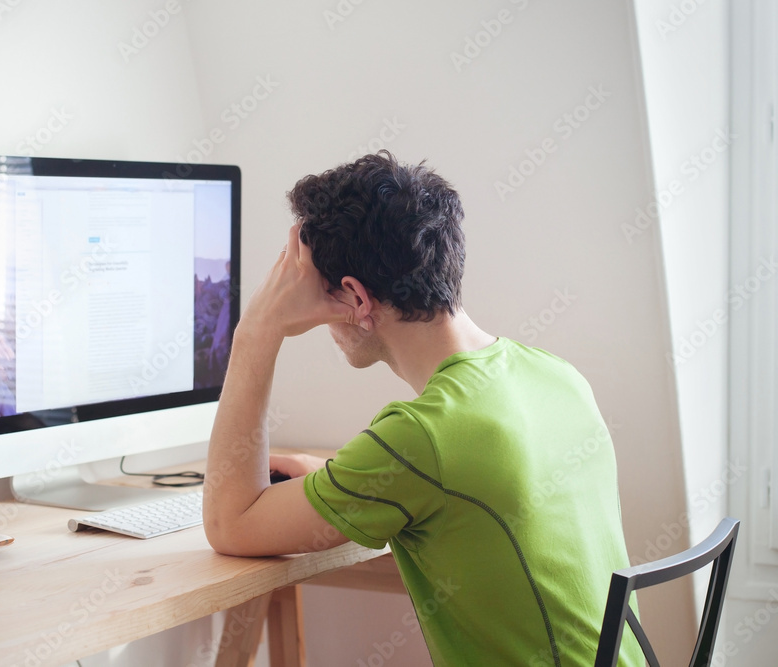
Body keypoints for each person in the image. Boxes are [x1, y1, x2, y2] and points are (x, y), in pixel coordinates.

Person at [202, 151, 642, 666]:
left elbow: (229, 525)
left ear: (355, 298)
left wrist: (255, 331)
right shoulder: (555, 375)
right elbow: (462, 482)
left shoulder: (419, 439)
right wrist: (330, 477)